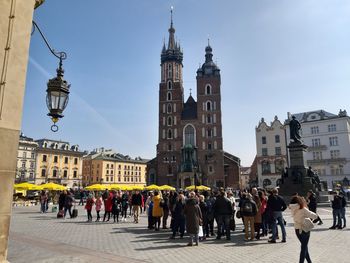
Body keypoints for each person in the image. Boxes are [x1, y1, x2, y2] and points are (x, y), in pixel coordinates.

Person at [289, 196, 317, 263]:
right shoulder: (303, 209)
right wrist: (306, 206)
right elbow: (314, 216)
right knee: (304, 248)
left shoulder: (292, 208)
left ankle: (309, 261)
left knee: (304, 246)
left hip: (297, 229)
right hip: (304, 229)